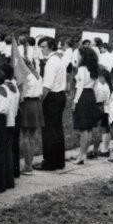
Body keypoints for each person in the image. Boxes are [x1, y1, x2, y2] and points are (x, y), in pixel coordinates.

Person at [34, 37, 67, 171]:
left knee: (49, 130)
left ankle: (50, 161)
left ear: (51, 47)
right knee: (57, 129)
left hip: (52, 97)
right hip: (60, 95)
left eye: (44, 47)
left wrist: (39, 102)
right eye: (40, 47)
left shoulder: (51, 62)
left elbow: (46, 86)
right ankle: (58, 160)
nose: (42, 50)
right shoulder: (58, 59)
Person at [71, 47, 101, 164]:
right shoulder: (94, 68)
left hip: (83, 96)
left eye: (79, 55)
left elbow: (80, 86)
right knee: (88, 128)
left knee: (83, 128)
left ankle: (81, 155)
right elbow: (95, 85)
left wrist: (75, 101)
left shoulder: (82, 69)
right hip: (91, 95)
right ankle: (83, 153)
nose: (77, 57)